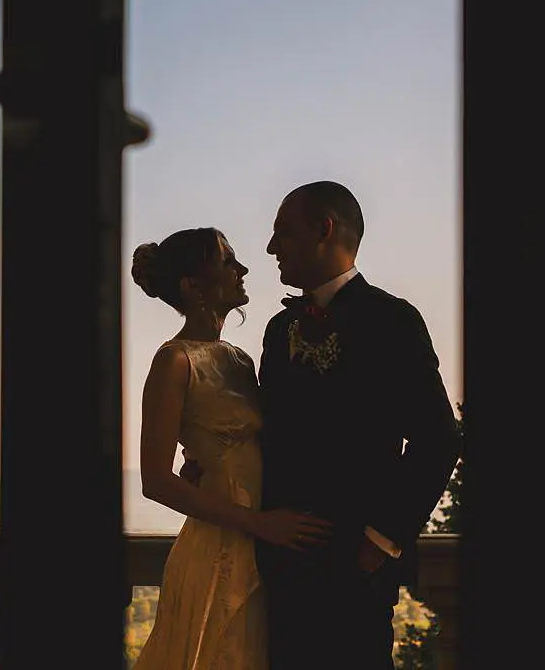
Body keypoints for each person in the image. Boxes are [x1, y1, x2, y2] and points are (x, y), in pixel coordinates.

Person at [258, 181, 462, 669]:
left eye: (283, 232)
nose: (270, 248)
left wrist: (380, 541)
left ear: (324, 230)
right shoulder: (278, 329)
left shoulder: (393, 320)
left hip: (351, 571)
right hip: (276, 566)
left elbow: (438, 438)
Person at [131, 227, 332, 670]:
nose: (242, 269)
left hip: (264, 548)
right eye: (227, 261)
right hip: (219, 550)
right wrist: (260, 524)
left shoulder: (239, 360)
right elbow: (155, 481)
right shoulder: (173, 361)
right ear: (193, 285)